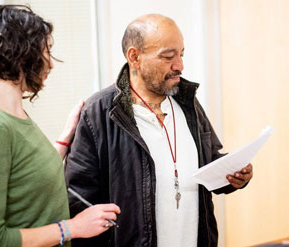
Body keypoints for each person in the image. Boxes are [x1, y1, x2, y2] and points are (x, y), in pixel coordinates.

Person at [65, 14, 253, 247]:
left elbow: (211, 163)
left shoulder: (188, 105)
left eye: (181, 54)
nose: (180, 66)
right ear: (134, 57)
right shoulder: (98, 113)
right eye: (168, 57)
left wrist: (234, 176)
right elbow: (78, 198)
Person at [0, 5, 120, 247]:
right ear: (20, 52)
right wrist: (73, 227)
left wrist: (66, 135)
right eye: (46, 51)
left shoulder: (14, 114)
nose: (51, 64)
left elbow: (29, 178)